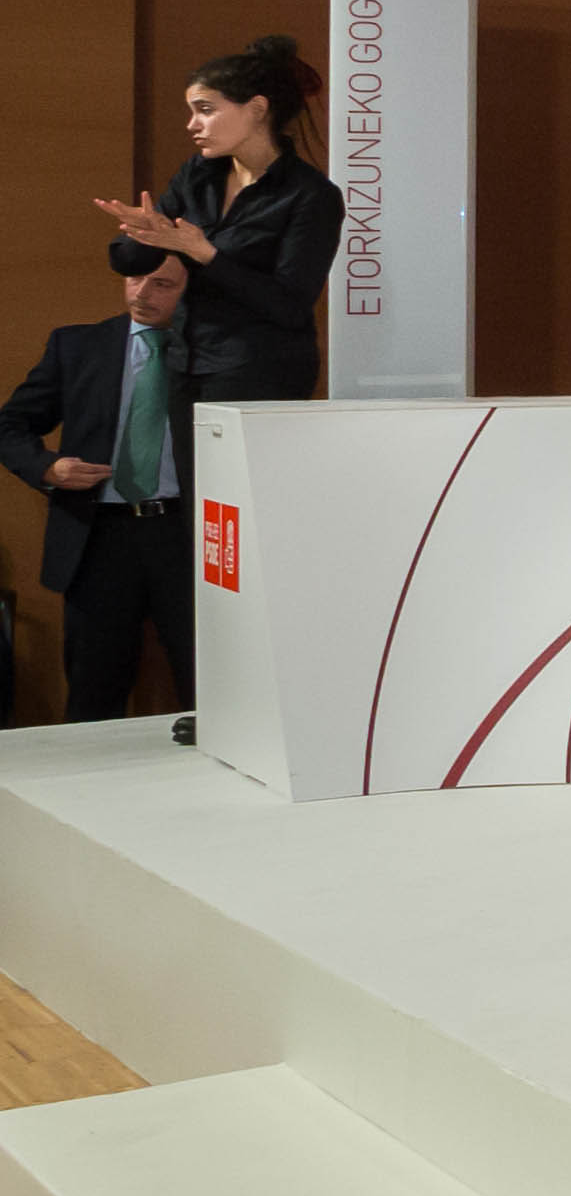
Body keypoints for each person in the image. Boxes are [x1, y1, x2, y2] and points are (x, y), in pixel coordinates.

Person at [1, 246, 203, 721]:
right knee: (94, 686)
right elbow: (10, 426)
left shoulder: (214, 355)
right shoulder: (77, 346)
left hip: (186, 533)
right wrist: (48, 469)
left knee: (207, 680)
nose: (142, 294)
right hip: (99, 535)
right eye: (134, 279)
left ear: (191, 291)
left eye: (162, 284)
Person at [93, 37, 343, 406]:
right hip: (186, 362)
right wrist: (143, 235)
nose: (192, 124)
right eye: (192, 111)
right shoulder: (198, 174)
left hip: (261, 368)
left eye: (206, 110)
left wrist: (206, 254)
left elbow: (290, 305)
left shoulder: (310, 194)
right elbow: (129, 262)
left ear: (256, 109)